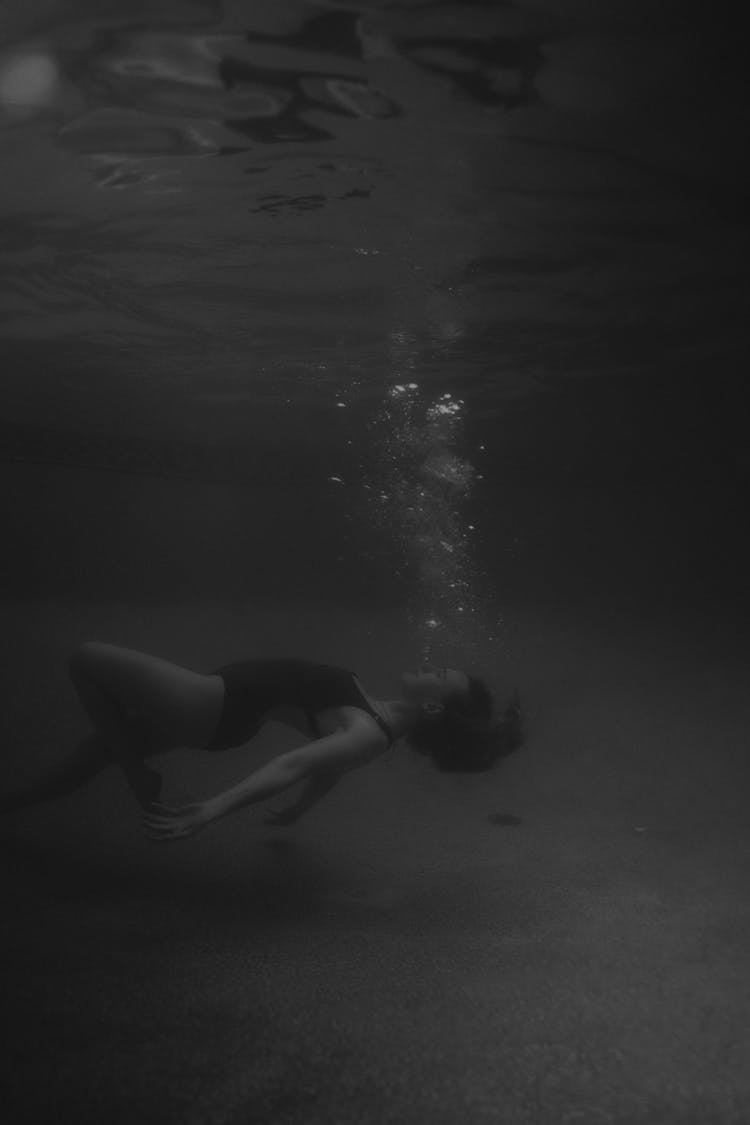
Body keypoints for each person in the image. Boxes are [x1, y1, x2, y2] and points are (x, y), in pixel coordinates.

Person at [1, 642, 523, 841]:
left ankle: (137, 774)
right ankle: (11, 804)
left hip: (206, 705)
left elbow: (295, 762)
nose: (432, 663)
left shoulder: (368, 733)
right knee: (91, 756)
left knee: (84, 658)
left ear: (436, 707)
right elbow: (327, 768)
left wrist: (213, 808)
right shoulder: (375, 721)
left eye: (442, 673)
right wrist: (300, 811)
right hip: (214, 710)